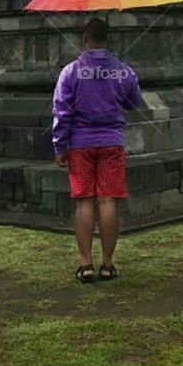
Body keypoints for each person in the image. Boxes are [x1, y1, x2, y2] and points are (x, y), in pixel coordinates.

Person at [51, 17, 143, 284]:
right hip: (111, 141)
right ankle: (107, 264)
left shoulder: (71, 72)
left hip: (80, 143)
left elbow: (61, 110)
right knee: (107, 200)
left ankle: (86, 264)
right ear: (107, 38)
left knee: (84, 200)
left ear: (84, 37)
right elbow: (134, 100)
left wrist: (60, 145)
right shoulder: (121, 71)